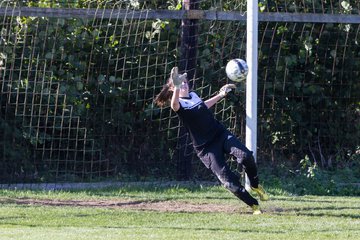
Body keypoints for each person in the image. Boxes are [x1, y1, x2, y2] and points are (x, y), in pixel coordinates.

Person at [154, 67, 269, 214]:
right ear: (172, 88)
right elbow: (174, 105)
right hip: (206, 148)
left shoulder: (194, 96)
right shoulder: (179, 104)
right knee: (229, 181)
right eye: (180, 83)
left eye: (185, 82)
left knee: (246, 156)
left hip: (220, 134)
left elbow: (203, 106)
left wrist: (220, 95)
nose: (184, 85)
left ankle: (255, 185)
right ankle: (254, 205)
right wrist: (177, 86)